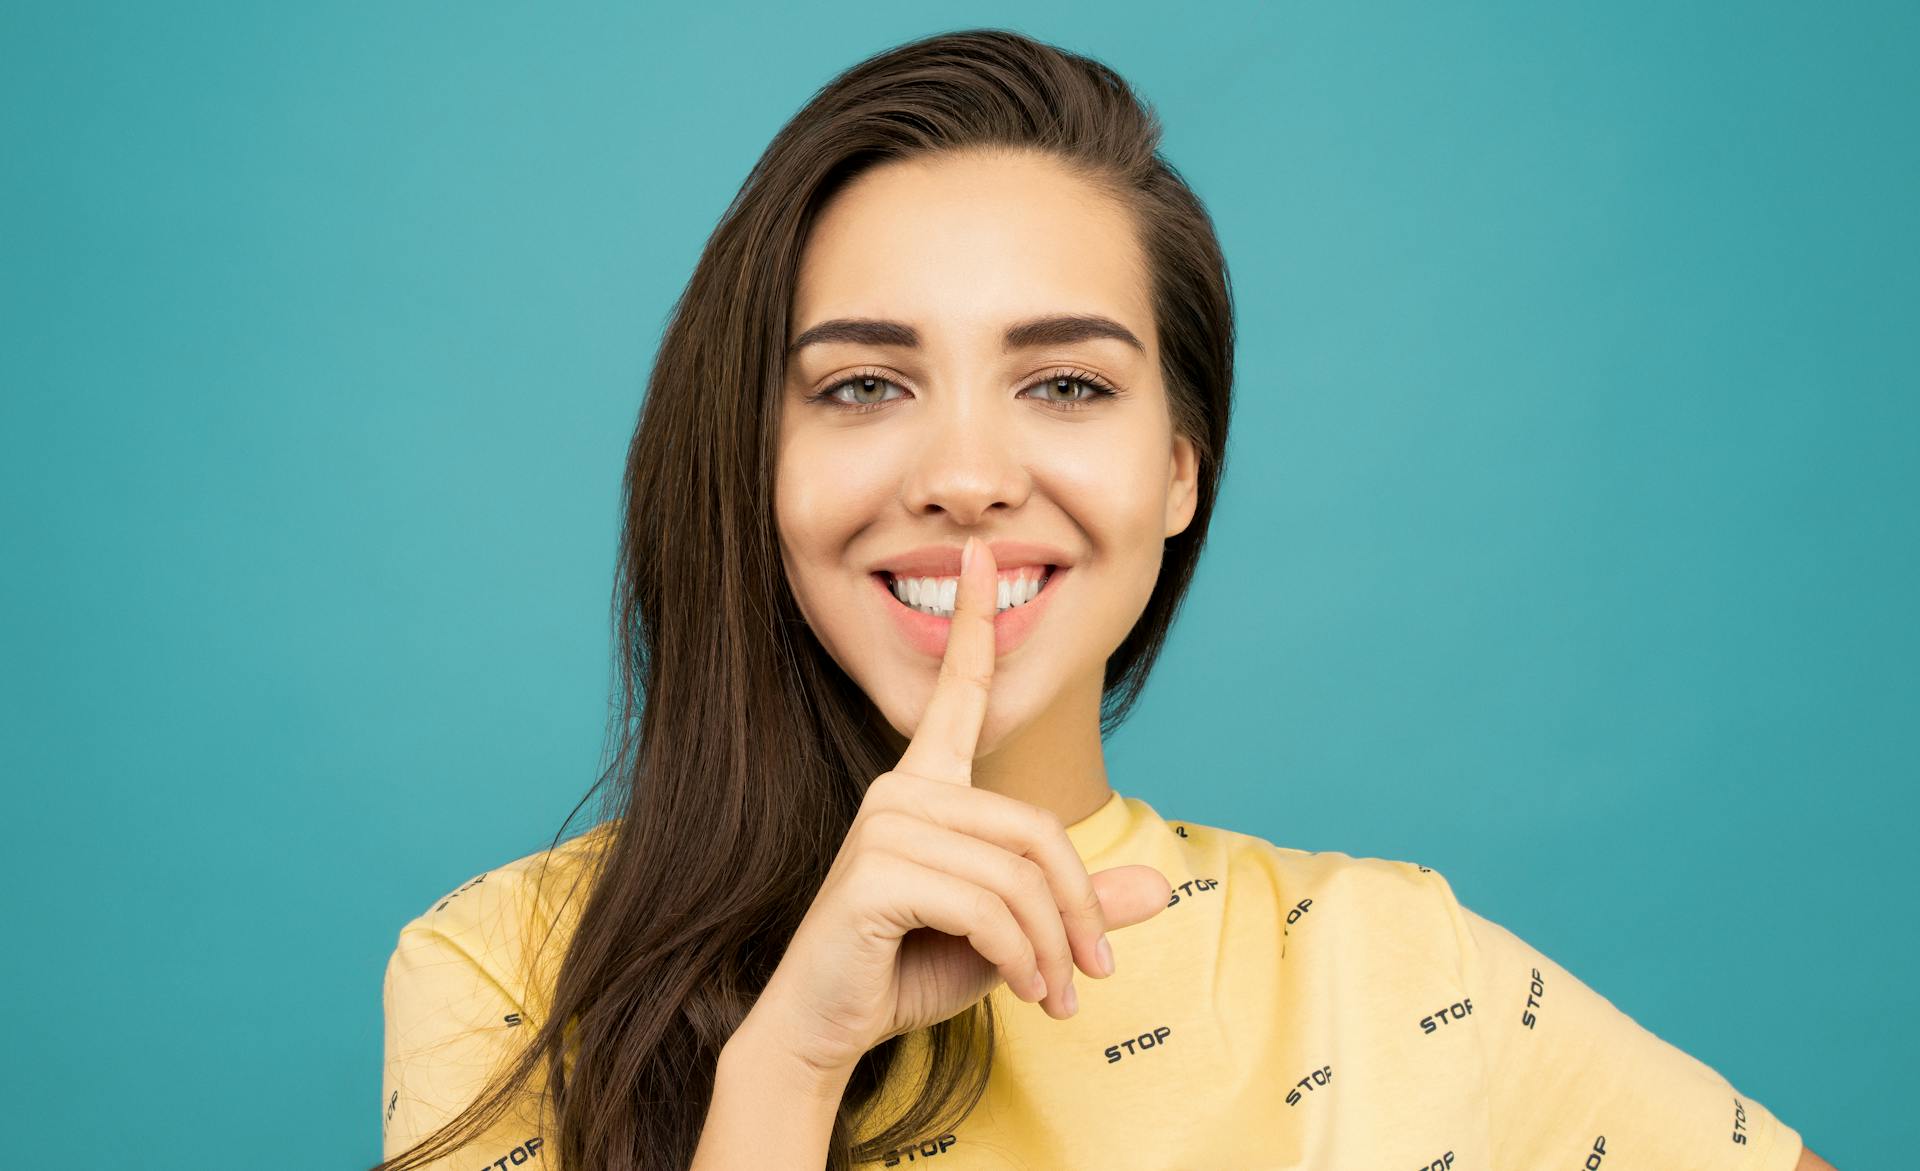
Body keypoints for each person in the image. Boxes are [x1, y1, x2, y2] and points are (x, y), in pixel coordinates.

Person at [375, 28, 1833, 1171]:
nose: (965, 475)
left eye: (1065, 384)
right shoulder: (507, 973)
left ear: (1180, 471)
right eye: (865, 385)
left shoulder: (1394, 975)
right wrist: (783, 1072)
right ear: (756, 468)